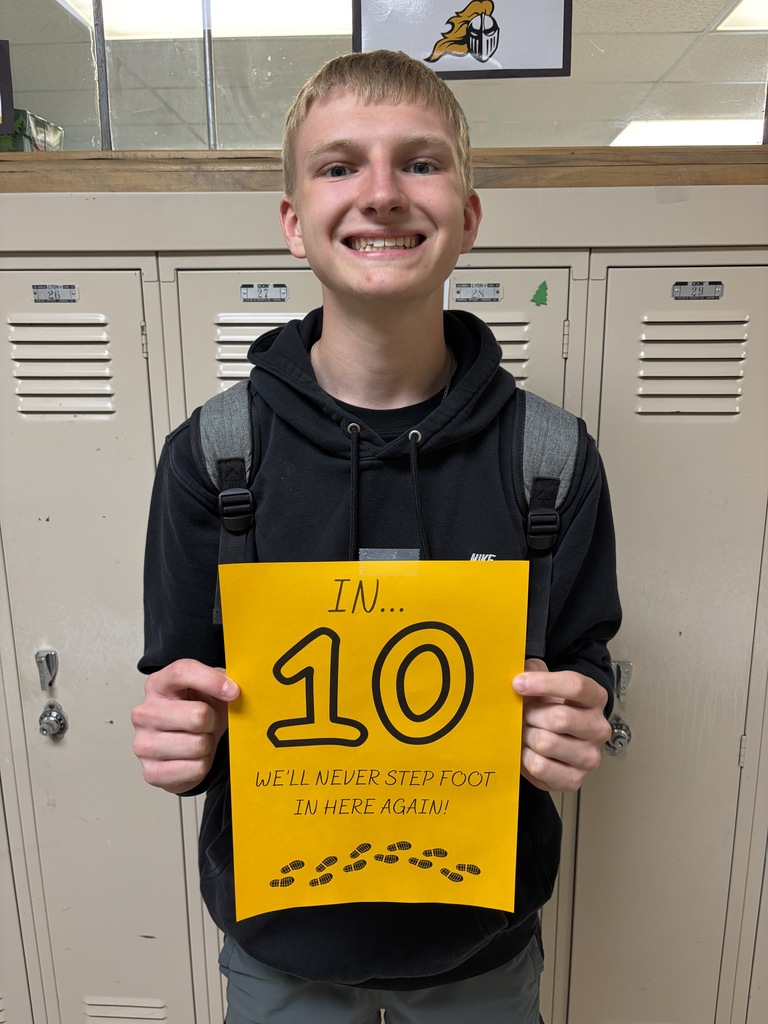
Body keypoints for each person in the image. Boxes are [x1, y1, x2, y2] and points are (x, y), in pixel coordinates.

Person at [132, 49, 620, 1024]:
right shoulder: (214, 455)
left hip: (481, 949)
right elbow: (182, 678)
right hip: (280, 949)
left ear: (469, 216)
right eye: (339, 164)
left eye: (423, 163)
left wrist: (587, 715)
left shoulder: (551, 458)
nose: (383, 193)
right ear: (292, 220)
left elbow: (586, 663)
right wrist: (174, 735)